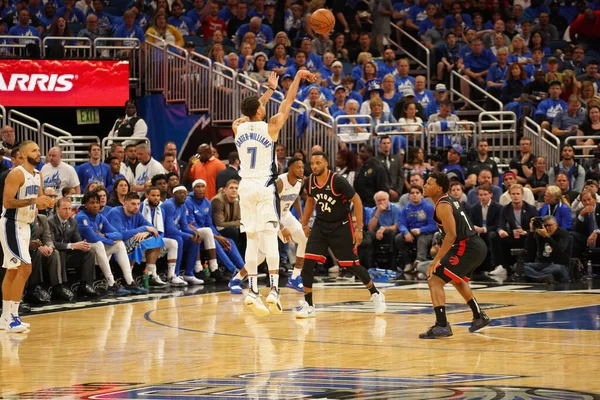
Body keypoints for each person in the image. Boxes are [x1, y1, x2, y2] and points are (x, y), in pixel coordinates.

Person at [231, 70, 316, 317]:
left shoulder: (237, 127)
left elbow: (248, 114)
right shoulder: (272, 127)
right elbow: (288, 101)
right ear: (259, 111)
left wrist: (266, 93)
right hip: (264, 186)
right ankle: (275, 290)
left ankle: (253, 290)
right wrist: (298, 76)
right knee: (269, 239)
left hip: (244, 186)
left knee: (252, 239)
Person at [297, 152, 386, 318]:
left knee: (351, 265)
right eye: (312, 163)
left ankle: (375, 293)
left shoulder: (337, 180)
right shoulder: (309, 182)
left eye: (318, 163)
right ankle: (308, 304)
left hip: (341, 226)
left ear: (326, 164)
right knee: (308, 263)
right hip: (320, 226)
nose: (314, 166)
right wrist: (304, 223)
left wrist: (359, 229)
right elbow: (310, 201)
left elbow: (357, 200)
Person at [419, 171, 489, 339]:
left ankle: (442, 325)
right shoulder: (448, 201)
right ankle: (479, 316)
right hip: (473, 245)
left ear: (439, 188)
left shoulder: (443, 205)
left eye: (429, 183)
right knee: (456, 279)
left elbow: (451, 236)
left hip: (466, 246)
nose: (424, 185)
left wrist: (436, 260)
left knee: (434, 280)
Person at [229, 158, 308, 294]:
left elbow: (296, 199)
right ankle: (237, 278)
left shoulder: (300, 182)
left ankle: (295, 277)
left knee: (304, 239)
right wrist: (281, 227)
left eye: (302, 167)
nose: (301, 170)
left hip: (285, 214)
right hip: (269, 215)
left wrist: (301, 219)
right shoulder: (279, 183)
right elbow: (270, 206)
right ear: (290, 168)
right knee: (261, 256)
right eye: (298, 167)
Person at [0, 141, 55, 332]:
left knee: (13, 270)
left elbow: (38, 203)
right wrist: (34, 200)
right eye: (34, 150)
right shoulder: (16, 174)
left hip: (26, 225)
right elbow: (7, 202)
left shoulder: (38, 175)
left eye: (39, 150)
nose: (38, 153)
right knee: (25, 268)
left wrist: (46, 202)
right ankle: (13, 316)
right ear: (22, 155)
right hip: (11, 224)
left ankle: (5, 317)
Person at [76, 192, 148, 296]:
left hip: (97, 252)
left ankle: (129, 281)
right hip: (83, 252)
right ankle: (111, 284)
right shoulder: (81, 217)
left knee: (119, 245)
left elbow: (119, 235)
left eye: (97, 202)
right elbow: (92, 237)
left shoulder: (100, 217)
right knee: (99, 244)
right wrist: (110, 241)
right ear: (85, 205)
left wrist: (105, 236)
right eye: (92, 203)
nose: (96, 205)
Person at [107, 192, 166, 284]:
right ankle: (127, 278)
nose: (136, 207)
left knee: (157, 239)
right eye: (133, 204)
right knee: (136, 240)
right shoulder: (115, 212)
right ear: (124, 203)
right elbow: (121, 235)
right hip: (114, 245)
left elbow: (153, 229)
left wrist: (145, 232)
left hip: (128, 243)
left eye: (138, 204)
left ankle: (149, 274)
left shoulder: (137, 214)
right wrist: (144, 228)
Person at [48, 197, 97, 298]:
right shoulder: (50, 221)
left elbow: (77, 239)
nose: (68, 211)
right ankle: (61, 286)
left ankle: (85, 284)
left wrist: (83, 245)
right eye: (65, 209)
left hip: (68, 254)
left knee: (90, 251)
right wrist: (72, 245)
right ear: (57, 209)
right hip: (54, 254)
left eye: (69, 209)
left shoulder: (73, 222)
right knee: (59, 252)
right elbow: (52, 243)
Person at [139, 186, 182, 286]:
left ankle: (171, 276)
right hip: (142, 238)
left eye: (158, 196)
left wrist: (158, 237)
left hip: (155, 237)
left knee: (173, 243)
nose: (156, 198)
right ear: (146, 195)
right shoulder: (141, 206)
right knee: (156, 242)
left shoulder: (161, 210)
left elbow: (161, 231)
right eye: (153, 195)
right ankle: (151, 274)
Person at [395, 185, 436, 273]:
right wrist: (406, 232)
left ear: (422, 195)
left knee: (422, 239)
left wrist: (420, 230)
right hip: (411, 233)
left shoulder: (429, 207)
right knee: (398, 238)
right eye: (412, 193)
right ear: (409, 196)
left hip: (426, 232)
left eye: (417, 193)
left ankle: (419, 262)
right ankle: (408, 263)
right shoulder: (405, 209)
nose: (415, 195)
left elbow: (433, 225)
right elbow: (401, 224)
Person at [523, 215, 571, 284]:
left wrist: (547, 237)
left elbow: (560, 250)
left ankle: (535, 276)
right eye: (545, 226)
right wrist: (531, 231)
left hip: (559, 264)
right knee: (519, 266)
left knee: (557, 268)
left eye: (550, 225)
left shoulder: (563, 233)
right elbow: (529, 249)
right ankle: (542, 277)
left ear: (556, 225)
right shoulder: (540, 233)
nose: (547, 228)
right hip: (542, 264)